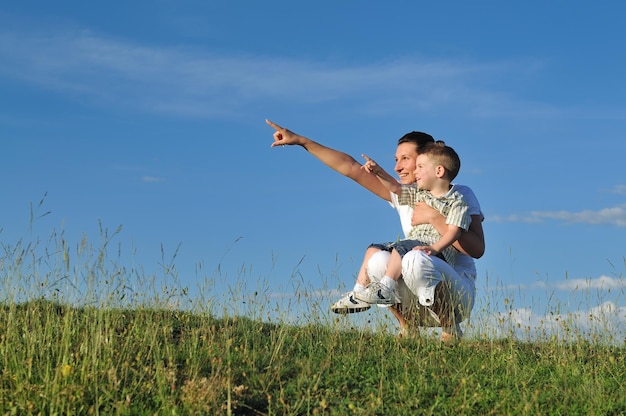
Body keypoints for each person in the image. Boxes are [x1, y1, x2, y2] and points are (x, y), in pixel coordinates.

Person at [266, 119, 485, 341]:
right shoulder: (406, 195)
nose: (397, 167)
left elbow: (477, 249)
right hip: (417, 292)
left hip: (455, 293)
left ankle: (450, 329)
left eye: (406, 159)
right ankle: (408, 328)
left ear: (427, 162)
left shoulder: (458, 195)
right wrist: (302, 141)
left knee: (415, 259)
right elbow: (350, 168)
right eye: (396, 160)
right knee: (378, 261)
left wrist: (434, 218)